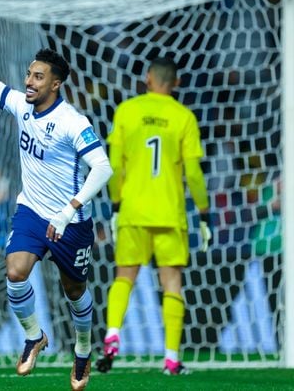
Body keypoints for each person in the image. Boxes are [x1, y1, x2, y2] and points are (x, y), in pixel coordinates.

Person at [0, 0, 112, 391]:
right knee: (15, 271)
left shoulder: (73, 122)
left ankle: (82, 350)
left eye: (38, 77)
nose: (28, 81)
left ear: (55, 84)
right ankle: (34, 337)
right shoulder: (22, 107)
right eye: (29, 74)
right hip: (32, 211)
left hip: (70, 220)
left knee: (75, 292)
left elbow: (104, 167)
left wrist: (69, 208)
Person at [95, 57, 212, 375]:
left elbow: (114, 165)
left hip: (133, 209)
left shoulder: (127, 111)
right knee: (172, 282)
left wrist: (116, 204)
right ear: (176, 83)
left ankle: (112, 338)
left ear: (148, 78)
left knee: (124, 277)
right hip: (170, 213)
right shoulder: (183, 116)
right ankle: (172, 359)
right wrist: (203, 211)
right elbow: (194, 173)